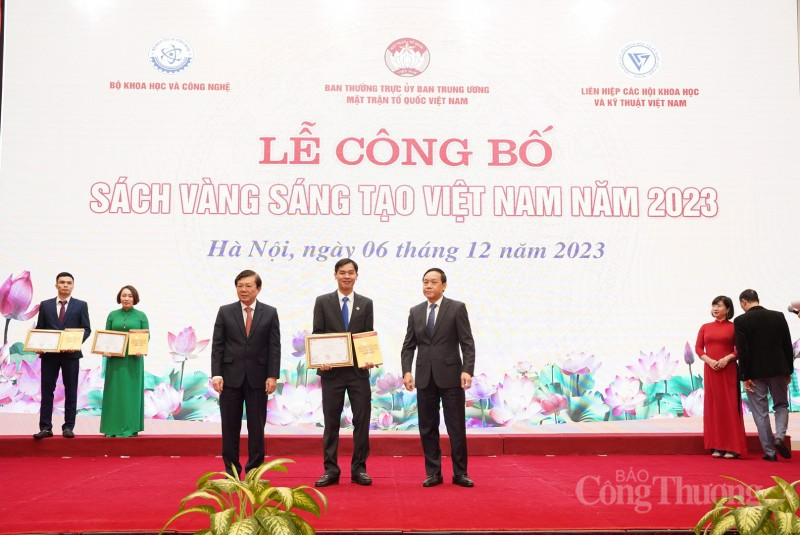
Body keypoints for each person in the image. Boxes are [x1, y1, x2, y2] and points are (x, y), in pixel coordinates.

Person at [401, 268, 476, 487]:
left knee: (456, 427)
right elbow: (408, 346)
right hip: (425, 378)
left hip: (451, 377)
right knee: (427, 427)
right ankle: (433, 473)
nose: (428, 286)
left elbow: (467, 343)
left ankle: (460, 473)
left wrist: (467, 369)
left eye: (433, 282)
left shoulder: (457, 308)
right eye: (425, 282)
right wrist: (407, 371)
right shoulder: (415, 311)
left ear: (444, 285)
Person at [312, 258, 377, 488]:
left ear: (356, 275)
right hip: (332, 374)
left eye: (350, 272)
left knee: (362, 422)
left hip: (358, 373)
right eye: (342, 272)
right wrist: (321, 360)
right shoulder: (323, 302)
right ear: (335, 275)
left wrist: (370, 357)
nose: (346, 276)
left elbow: (367, 335)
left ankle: (359, 469)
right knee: (331, 424)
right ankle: (331, 470)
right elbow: (318, 334)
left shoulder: (366, 303)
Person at [211, 270, 281, 476]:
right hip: (230, 378)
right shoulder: (225, 311)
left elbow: (274, 346)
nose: (244, 289)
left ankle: (254, 472)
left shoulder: (270, 313)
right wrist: (217, 374)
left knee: (256, 428)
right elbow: (218, 345)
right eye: (240, 286)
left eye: (248, 286)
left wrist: (272, 375)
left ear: (258, 288)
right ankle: (231, 472)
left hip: (258, 378)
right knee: (229, 428)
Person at [734, 289, 794, 461]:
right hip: (778, 370)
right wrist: (788, 370)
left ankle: (770, 452)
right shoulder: (778, 316)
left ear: (743, 302)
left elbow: (743, 350)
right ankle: (780, 436)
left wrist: (744, 376)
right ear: (758, 299)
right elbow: (787, 345)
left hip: (754, 373)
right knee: (781, 405)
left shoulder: (740, 321)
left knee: (760, 412)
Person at [33, 272, 91, 439]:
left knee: (71, 391)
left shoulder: (81, 305)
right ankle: (45, 427)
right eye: (62, 282)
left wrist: (75, 344)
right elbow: (40, 328)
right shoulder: (45, 305)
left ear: (73, 286)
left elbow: (86, 329)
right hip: (49, 355)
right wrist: (39, 345)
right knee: (47, 391)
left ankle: (68, 427)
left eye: (68, 282)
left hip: (71, 355)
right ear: (56, 285)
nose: (65, 285)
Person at [694, 296, 747, 459]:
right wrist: (710, 361)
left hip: (728, 369)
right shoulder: (705, 327)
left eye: (719, 306)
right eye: (714, 306)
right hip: (711, 370)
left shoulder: (734, 327)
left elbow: (740, 349)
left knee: (729, 406)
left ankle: (732, 446)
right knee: (714, 406)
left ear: (728, 309)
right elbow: (698, 348)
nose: (715, 309)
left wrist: (727, 358)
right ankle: (716, 445)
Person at [100, 285, 148, 437]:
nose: (126, 298)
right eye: (124, 295)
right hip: (115, 359)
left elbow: (146, 336)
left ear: (135, 298)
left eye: (130, 296)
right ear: (119, 298)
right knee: (114, 393)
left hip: (134, 359)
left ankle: (130, 427)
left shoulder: (141, 316)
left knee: (131, 393)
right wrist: (104, 350)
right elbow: (106, 336)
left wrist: (141, 348)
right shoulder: (112, 315)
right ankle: (112, 428)